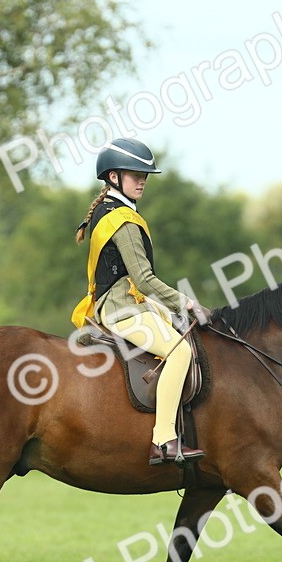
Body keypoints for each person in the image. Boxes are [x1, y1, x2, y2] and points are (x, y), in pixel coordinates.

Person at [71, 138, 205, 466]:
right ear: (114, 177)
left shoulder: (113, 211)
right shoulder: (122, 220)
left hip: (128, 301)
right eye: (135, 174)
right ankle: (163, 440)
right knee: (180, 351)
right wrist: (185, 303)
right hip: (123, 307)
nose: (142, 180)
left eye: (145, 174)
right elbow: (144, 280)